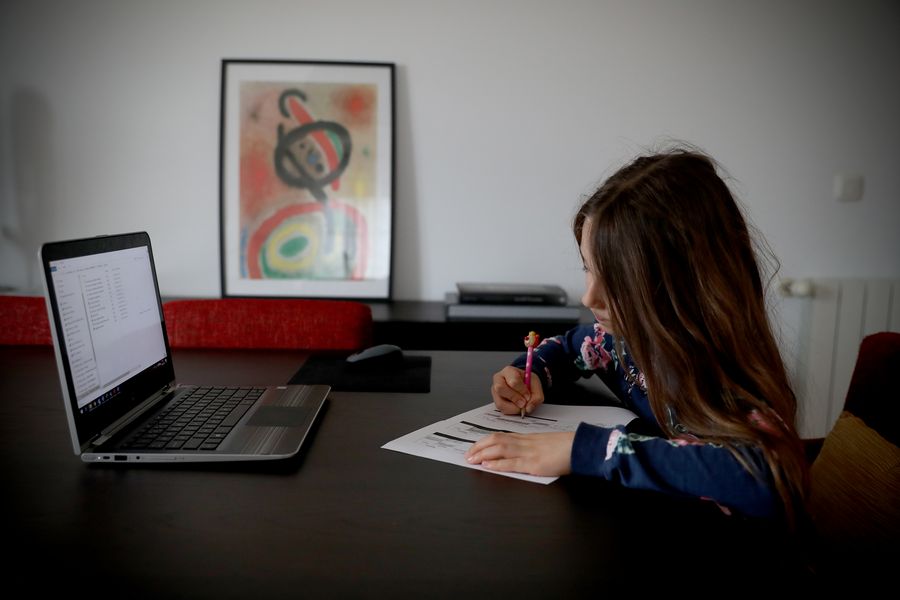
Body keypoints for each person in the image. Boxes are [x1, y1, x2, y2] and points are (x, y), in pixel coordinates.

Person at [464, 147, 809, 526]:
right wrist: (530, 374)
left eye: (615, 280)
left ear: (684, 285)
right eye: (588, 269)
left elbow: (768, 476)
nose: (589, 298)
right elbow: (568, 347)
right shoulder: (622, 342)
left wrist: (585, 450)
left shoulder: (728, 380)